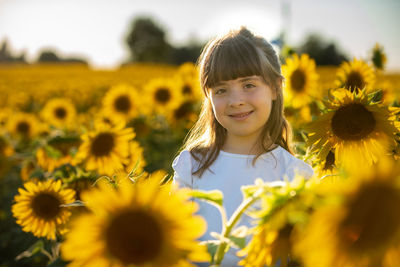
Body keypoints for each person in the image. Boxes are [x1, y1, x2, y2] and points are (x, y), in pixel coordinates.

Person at [172, 27, 314, 266]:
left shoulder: (295, 175)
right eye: (221, 90)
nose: (236, 100)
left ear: (276, 88)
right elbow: (172, 243)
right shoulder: (192, 166)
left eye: (248, 85)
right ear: (209, 98)